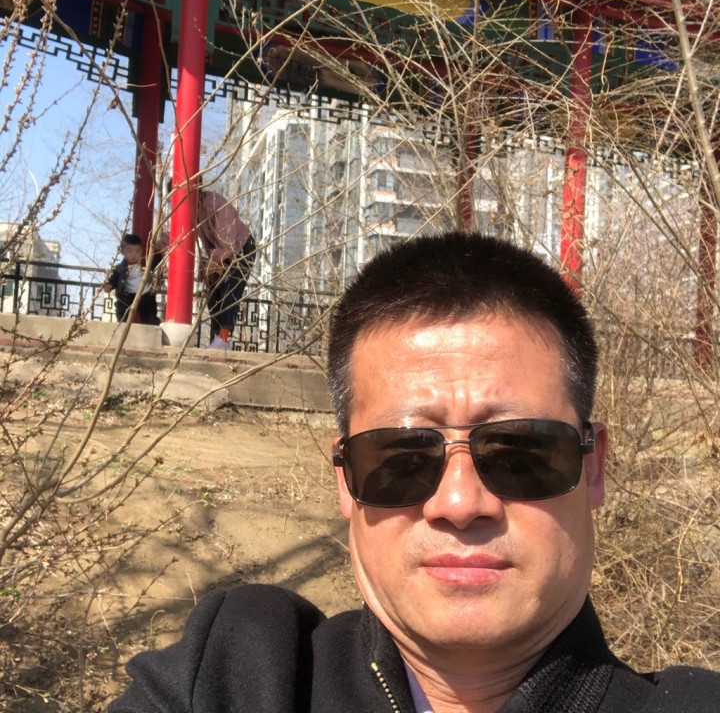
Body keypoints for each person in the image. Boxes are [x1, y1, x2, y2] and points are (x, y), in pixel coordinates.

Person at [109, 232, 720, 712]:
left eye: (519, 453)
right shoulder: (238, 676)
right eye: (401, 458)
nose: (459, 503)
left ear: (593, 467)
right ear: (345, 479)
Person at [196, 186, 256, 350]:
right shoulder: (194, 213)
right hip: (218, 253)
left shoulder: (216, 204)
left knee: (231, 290)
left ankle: (223, 337)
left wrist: (209, 267)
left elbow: (227, 245)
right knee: (213, 292)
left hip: (242, 248)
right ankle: (218, 339)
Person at [102, 233, 160, 326]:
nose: (133, 255)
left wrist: (158, 249)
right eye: (129, 251)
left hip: (144, 295)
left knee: (149, 315)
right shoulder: (119, 268)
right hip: (126, 296)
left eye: (137, 251)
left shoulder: (145, 263)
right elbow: (113, 279)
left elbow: (156, 260)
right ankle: (122, 326)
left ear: (141, 250)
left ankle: (152, 326)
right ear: (122, 251)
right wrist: (109, 285)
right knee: (121, 311)